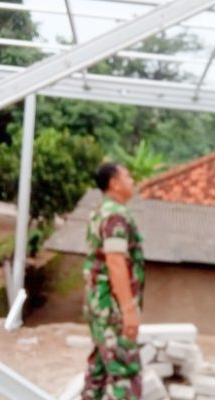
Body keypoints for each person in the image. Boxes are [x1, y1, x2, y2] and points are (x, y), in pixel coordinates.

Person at [82, 162, 145, 400]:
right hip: (112, 307)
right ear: (114, 183)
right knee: (125, 374)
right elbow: (116, 262)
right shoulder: (116, 216)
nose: (132, 181)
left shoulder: (100, 212)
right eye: (127, 176)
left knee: (98, 371)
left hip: (98, 303)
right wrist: (128, 310)